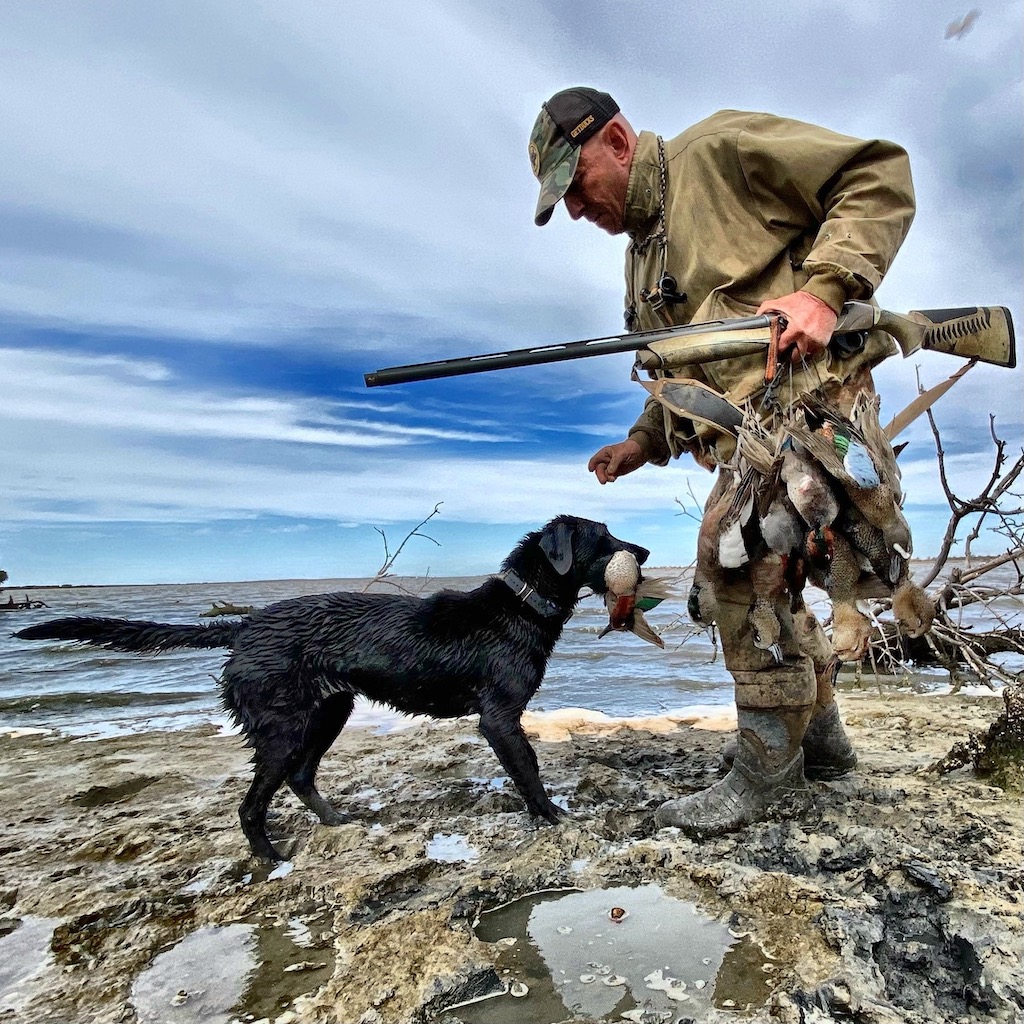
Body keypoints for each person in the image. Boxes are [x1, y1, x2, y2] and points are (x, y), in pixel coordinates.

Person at [528, 87, 916, 836]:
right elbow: (680, 368)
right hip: (745, 440)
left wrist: (823, 292)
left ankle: (766, 770)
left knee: (729, 574)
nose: (575, 209)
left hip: (808, 414)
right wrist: (643, 441)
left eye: (575, 185)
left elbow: (878, 175)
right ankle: (822, 746)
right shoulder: (641, 257)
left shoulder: (718, 151)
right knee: (774, 585)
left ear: (617, 141)